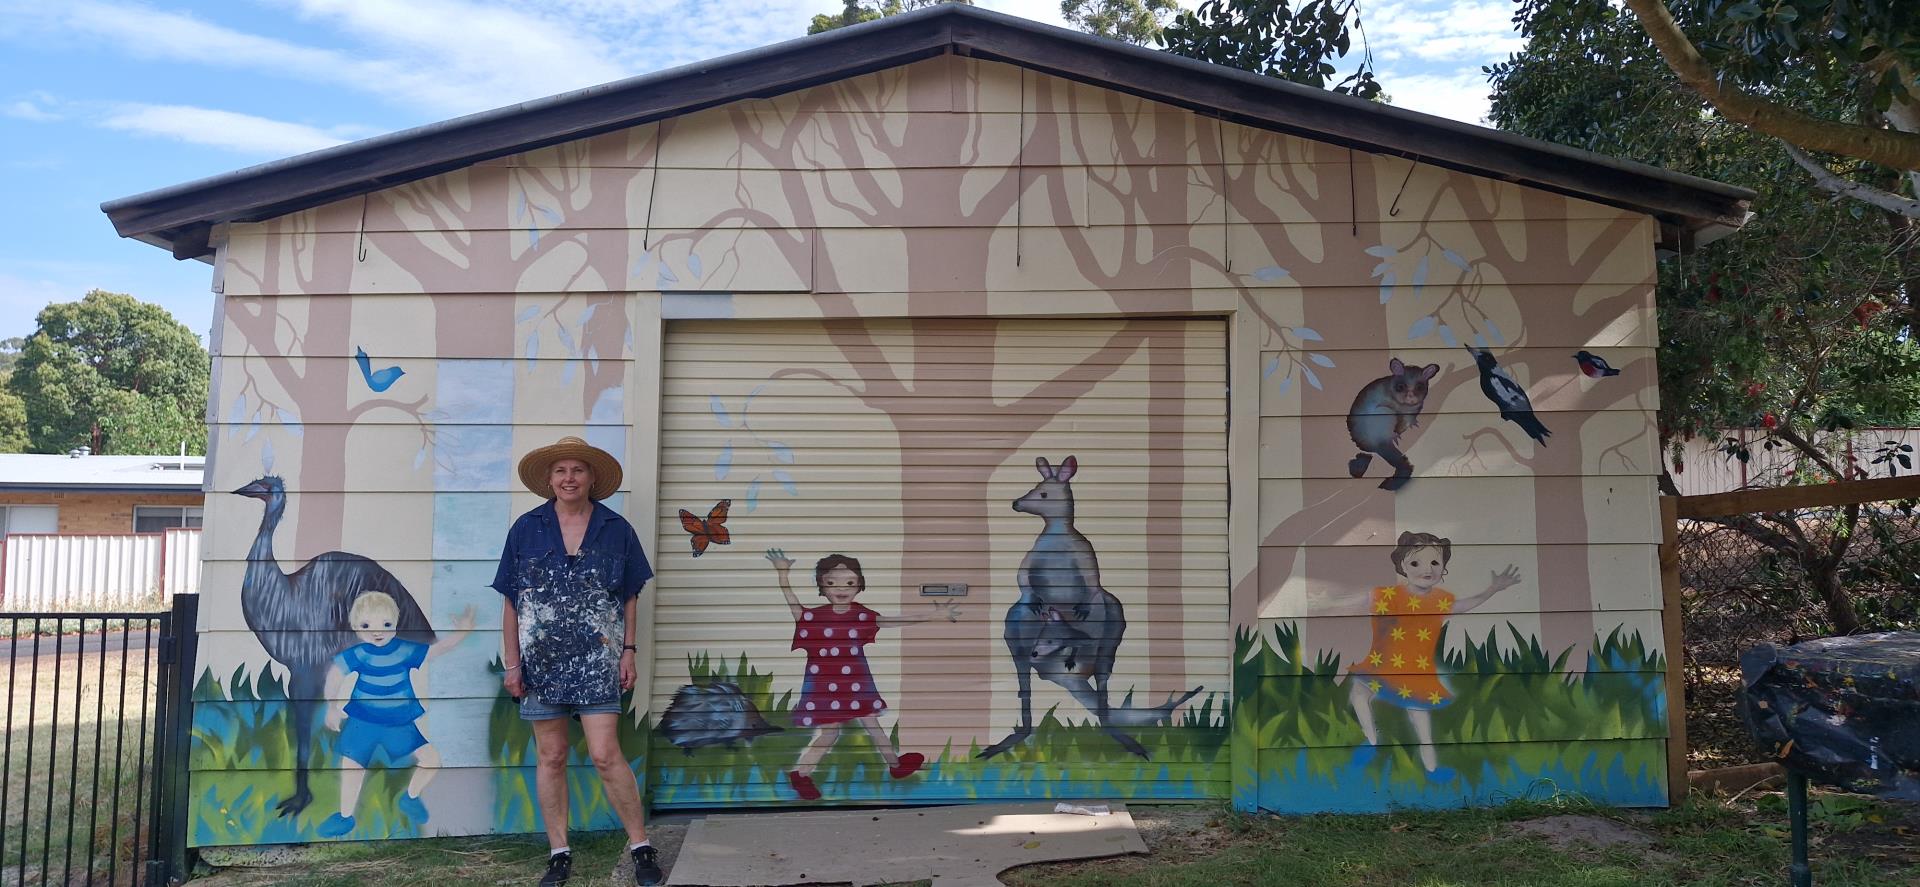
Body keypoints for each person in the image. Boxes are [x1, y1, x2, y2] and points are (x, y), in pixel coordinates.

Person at [493, 436, 664, 887]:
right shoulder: (526, 528)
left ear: (591, 479)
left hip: (597, 661)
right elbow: (512, 602)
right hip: (540, 663)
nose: (569, 478)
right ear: (550, 480)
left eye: (578, 470)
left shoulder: (616, 528)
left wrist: (628, 651)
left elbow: (629, 596)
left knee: (607, 754)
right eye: (561, 471)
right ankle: (559, 852)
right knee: (551, 756)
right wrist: (513, 664)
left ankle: (641, 846)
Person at [765, 548, 958, 801]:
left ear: (859, 586)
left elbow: (890, 621)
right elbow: (793, 603)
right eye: (831, 582)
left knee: (872, 724)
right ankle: (801, 774)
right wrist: (783, 573)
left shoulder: (861, 614)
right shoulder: (815, 617)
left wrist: (932, 615)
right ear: (822, 587)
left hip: (855, 683)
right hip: (826, 686)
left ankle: (895, 765)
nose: (841, 588)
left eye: (850, 582)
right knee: (830, 733)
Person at [1345, 531, 1521, 782]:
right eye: (1416, 563)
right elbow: (1357, 603)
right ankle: (1372, 741)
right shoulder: (1388, 595)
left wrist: (1492, 589)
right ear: (1402, 566)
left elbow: (1465, 605)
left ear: (1443, 567)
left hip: (1414, 671)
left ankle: (1430, 769)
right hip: (1385, 666)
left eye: (1435, 563)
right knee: (1359, 693)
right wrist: (1326, 601)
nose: (1426, 569)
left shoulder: (1440, 600)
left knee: (1420, 721)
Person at [317, 592, 475, 837]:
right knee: (352, 768)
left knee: (432, 760)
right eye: (367, 626)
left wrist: (463, 633)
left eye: (386, 624)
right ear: (356, 628)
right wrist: (332, 706)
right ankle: (345, 817)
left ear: (395, 624)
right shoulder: (359, 654)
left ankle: (410, 798)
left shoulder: (404, 650)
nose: (377, 632)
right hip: (363, 720)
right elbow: (336, 674)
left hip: (399, 721)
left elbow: (436, 651)